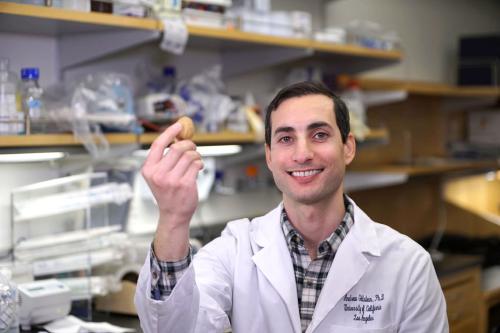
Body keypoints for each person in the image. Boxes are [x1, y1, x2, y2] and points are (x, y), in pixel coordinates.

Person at [135, 81, 448, 333]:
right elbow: (174, 328)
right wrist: (173, 218)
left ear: (348, 147)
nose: (303, 153)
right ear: (269, 157)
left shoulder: (408, 266)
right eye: (286, 139)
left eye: (320, 134)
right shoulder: (235, 249)